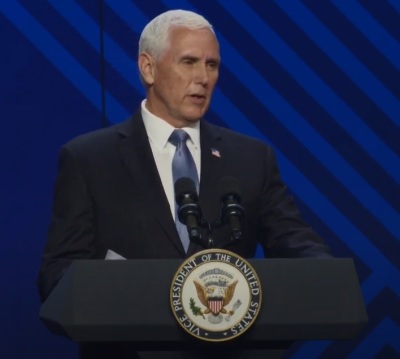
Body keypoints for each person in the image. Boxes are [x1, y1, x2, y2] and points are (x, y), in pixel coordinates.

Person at [38, 9, 332, 359]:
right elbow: (57, 276)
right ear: (148, 68)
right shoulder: (89, 159)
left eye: (212, 65)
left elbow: (295, 242)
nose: (203, 78)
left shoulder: (251, 158)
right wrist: (122, 291)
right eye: (189, 62)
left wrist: (326, 278)